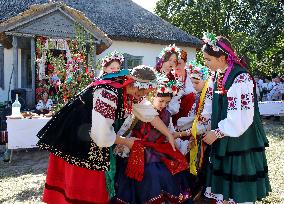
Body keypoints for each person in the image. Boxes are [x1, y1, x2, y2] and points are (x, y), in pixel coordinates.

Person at [37, 60, 174, 204]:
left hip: (91, 131)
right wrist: (126, 142)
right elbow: (101, 136)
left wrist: (168, 134)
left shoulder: (128, 88)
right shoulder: (108, 93)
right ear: (136, 87)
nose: (144, 96)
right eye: (145, 92)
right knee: (84, 181)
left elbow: (149, 114)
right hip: (77, 133)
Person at [201, 32, 271, 204]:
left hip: (241, 141)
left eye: (208, 59)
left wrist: (217, 133)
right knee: (224, 195)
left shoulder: (241, 77)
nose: (205, 63)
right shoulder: (216, 76)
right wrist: (203, 126)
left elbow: (242, 118)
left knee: (240, 195)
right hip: (222, 139)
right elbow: (210, 107)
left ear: (222, 58)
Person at [115, 76, 193, 204]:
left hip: (159, 151)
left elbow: (170, 134)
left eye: (167, 102)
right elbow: (126, 130)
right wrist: (122, 145)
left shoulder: (167, 114)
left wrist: (183, 139)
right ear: (152, 96)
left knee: (173, 171)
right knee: (151, 175)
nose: (164, 105)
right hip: (140, 151)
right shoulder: (139, 112)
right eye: (161, 101)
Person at [174, 61, 213, 200]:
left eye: (197, 83)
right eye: (193, 83)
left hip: (203, 139)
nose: (194, 86)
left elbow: (204, 123)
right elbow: (193, 118)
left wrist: (182, 133)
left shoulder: (209, 97)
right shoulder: (197, 96)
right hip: (195, 136)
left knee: (200, 168)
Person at [169, 50, 196, 128]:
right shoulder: (169, 77)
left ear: (185, 63)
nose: (177, 66)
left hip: (190, 111)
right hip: (174, 111)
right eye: (175, 63)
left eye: (179, 63)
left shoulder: (192, 75)